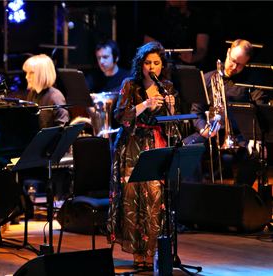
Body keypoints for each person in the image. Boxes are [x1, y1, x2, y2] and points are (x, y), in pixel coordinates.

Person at [107, 41, 177, 268]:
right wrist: (145, 104)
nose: (152, 67)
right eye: (148, 62)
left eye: (156, 63)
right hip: (132, 146)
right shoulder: (130, 85)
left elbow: (172, 123)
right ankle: (137, 254)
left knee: (155, 199)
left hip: (155, 145)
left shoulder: (167, 86)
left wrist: (172, 106)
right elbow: (120, 116)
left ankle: (152, 252)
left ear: (162, 65)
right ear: (141, 64)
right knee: (132, 199)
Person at [187, 39, 268, 185]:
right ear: (228, 52)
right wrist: (203, 128)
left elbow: (260, 112)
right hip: (211, 134)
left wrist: (255, 139)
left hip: (240, 137)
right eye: (233, 61)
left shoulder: (250, 83)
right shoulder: (207, 79)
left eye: (240, 65)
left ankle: (238, 195)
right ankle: (197, 194)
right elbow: (196, 112)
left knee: (257, 153)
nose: (234, 67)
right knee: (186, 148)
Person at [143, 0, 210, 70]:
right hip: (161, 69)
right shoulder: (157, 18)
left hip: (188, 69)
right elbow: (147, 47)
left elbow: (202, 49)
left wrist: (193, 57)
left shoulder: (198, 19)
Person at [23, 54, 69, 128]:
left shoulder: (55, 97)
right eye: (26, 72)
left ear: (42, 74)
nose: (26, 77)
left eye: (31, 73)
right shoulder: (32, 94)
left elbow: (62, 131)